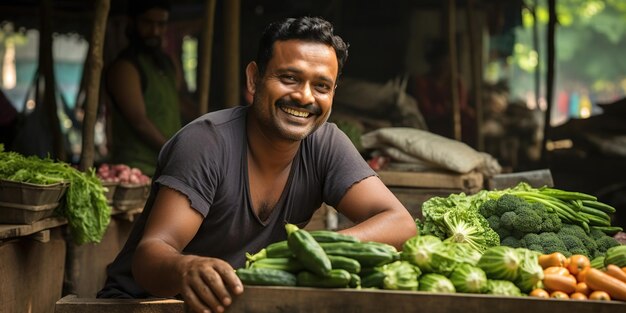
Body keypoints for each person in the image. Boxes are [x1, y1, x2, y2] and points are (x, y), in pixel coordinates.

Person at [98, 16, 417, 313]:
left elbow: (401, 224)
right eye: (290, 78)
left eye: (321, 86)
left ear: (333, 93)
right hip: (146, 304)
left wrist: (317, 247)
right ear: (254, 78)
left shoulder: (325, 143)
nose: (305, 97)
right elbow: (151, 252)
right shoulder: (206, 143)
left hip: (234, 303)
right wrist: (186, 268)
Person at [105, 0, 196, 176]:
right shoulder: (125, 67)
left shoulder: (167, 64)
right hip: (135, 170)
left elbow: (177, 102)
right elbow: (139, 122)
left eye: (160, 24)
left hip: (166, 167)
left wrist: (210, 119)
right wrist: (173, 150)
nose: (154, 31)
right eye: (147, 23)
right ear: (132, 22)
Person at [408, 39, 475, 144]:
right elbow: (426, 110)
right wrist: (445, 109)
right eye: (440, 61)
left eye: (446, 60)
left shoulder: (456, 82)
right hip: (431, 132)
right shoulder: (422, 82)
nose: (443, 65)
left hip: (457, 133)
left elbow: (460, 106)